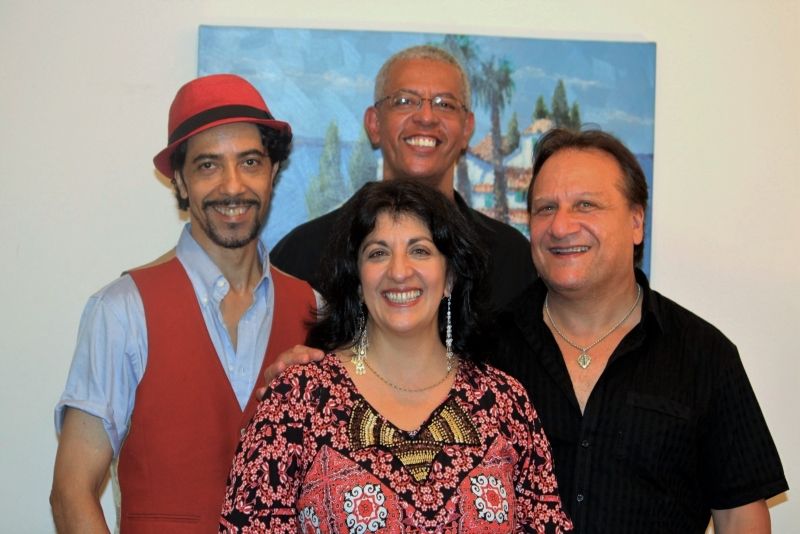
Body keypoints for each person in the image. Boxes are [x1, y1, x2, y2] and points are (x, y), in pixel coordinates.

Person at [220, 180, 572, 533]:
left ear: (450, 277)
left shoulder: (504, 403)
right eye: (378, 253)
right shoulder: (297, 400)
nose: (399, 271)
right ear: (358, 282)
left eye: (420, 250)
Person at [50, 74, 317, 532]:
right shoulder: (122, 310)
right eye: (208, 165)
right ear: (179, 179)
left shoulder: (315, 308)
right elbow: (71, 491)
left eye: (250, 162)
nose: (233, 186)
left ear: (272, 172)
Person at [493, 128, 788, 533]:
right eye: (545, 208)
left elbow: (741, 518)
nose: (560, 226)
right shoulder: (485, 349)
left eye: (586, 205)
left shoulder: (705, 356)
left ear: (636, 222)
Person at [270, 45, 534, 312]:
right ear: (374, 124)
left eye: (445, 104)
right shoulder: (304, 254)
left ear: (467, 129)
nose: (426, 117)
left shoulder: (511, 259)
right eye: (405, 101)